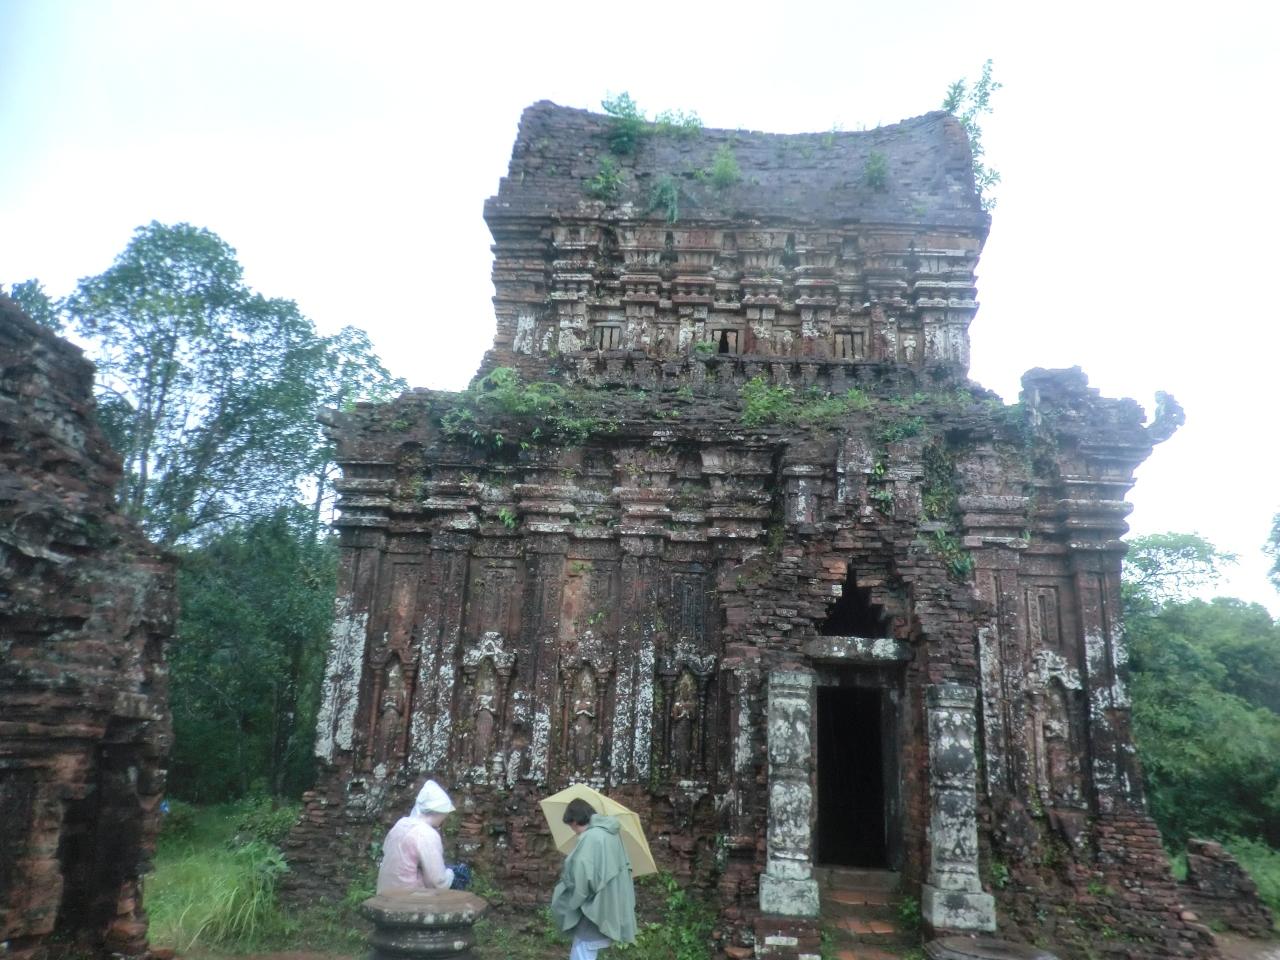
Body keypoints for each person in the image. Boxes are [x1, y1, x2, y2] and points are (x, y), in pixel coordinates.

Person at [550, 798, 637, 960]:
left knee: (583, 950)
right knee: (584, 950)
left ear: (575, 821)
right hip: (608, 903)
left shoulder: (591, 838)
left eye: (571, 826)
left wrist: (568, 901)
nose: (573, 830)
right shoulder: (611, 833)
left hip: (594, 908)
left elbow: (582, 882)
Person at [375, 779, 457, 894]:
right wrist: (451, 874)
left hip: (384, 892)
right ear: (440, 811)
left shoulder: (401, 824)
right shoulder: (427, 834)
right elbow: (437, 881)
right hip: (409, 897)